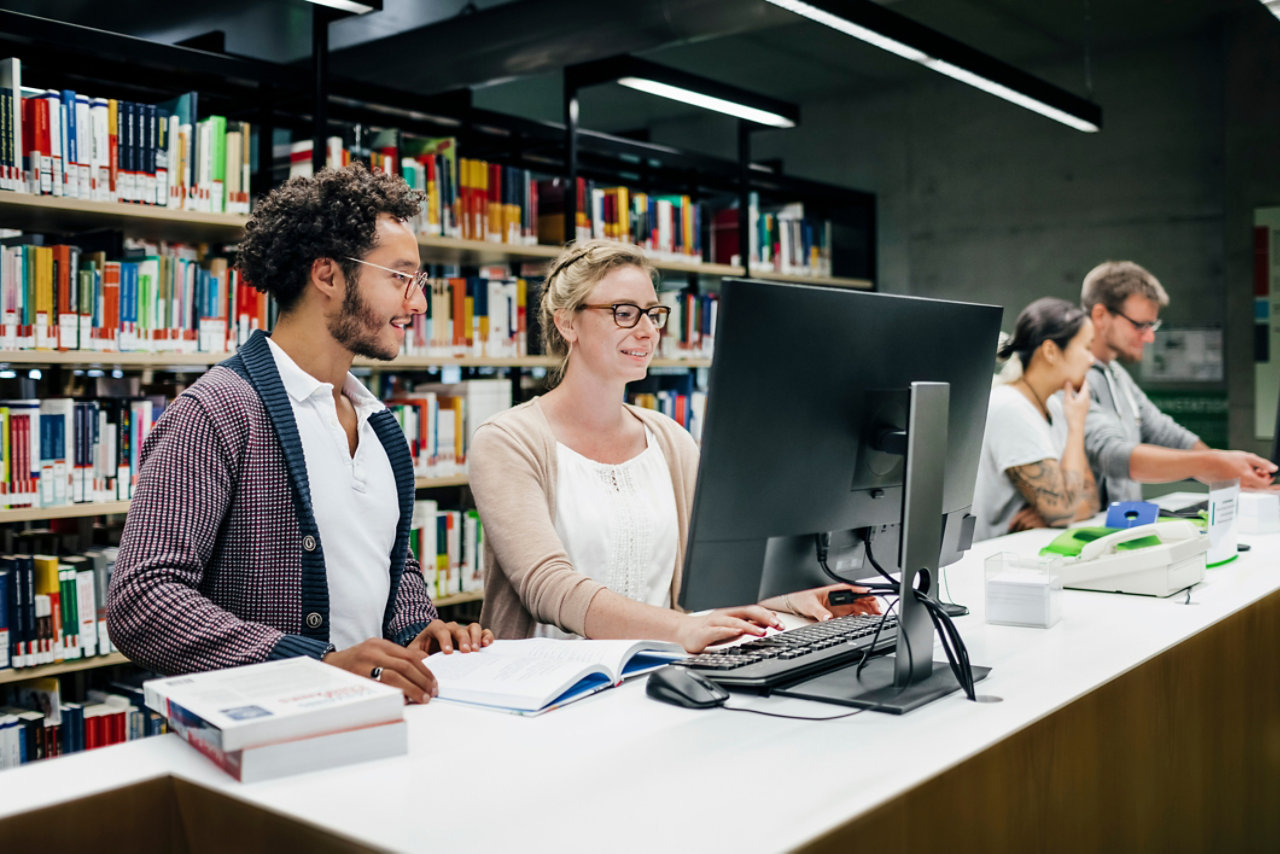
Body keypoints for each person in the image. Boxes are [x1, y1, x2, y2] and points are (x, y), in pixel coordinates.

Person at [108, 166, 492, 704]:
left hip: (375, 726)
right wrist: (318, 666)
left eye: (419, 282)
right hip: (262, 739)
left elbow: (384, 563)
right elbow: (142, 601)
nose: (418, 303)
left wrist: (417, 636)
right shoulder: (215, 413)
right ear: (328, 275)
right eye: (399, 278)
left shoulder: (379, 424)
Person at [467, 239, 879, 653]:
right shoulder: (507, 441)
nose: (647, 330)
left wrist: (796, 596)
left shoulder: (669, 439)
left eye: (653, 313)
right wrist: (678, 629)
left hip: (655, 674)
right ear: (567, 323)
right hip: (546, 690)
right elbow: (548, 587)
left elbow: (711, 569)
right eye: (624, 313)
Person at [1081, 261, 1276, 505]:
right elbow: (1113, 455)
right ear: (1100, 315)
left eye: (1152, 326)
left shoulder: (1116, 374)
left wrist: (1231, 470)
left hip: (1118, 528)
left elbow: (1167, 434)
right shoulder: (1073, 375)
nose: (1150, 336)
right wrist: (1212, 465)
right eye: (1140, 325)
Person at [972, 297, 1099, 541]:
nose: (1091, 360)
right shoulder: (1011, 407)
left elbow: (1091, 499)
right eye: (1086, 347)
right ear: (1051, 351)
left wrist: (1058, 512)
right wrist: (1077, 427)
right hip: (991, 562)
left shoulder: (1058, 406)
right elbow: (1064, 509)